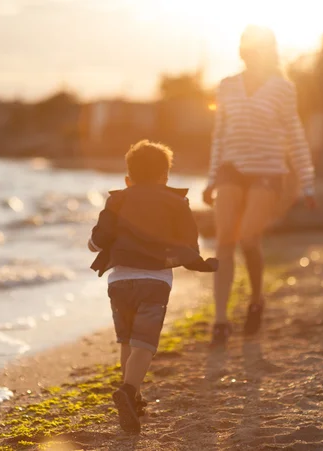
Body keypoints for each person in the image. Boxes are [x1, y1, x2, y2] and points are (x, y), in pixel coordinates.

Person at [89, 140, 218, 434]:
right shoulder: (177, 202)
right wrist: (201, 262)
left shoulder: (117, 200)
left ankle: (132, 396)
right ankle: (129, 390)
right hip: (155, 282)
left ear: (127, 179)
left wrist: (92, 245)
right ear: (165, 177)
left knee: (127, 341)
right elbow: (188, 242)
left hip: (119, 282)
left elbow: (100, 236)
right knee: (144, 344)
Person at [202, 25, 316, 348]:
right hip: (230, 169)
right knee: (225, 239)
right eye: (246, 47)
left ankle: (256, 299)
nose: (251, 52)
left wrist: (307, 181)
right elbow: (219, 135)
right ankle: (221, 319)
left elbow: (294, 134)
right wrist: (212, 179)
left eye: (257, 48)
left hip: (268, 171)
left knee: (249, 237)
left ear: (268, 51)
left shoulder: (282, 88)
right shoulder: (226, 86)